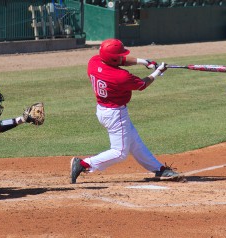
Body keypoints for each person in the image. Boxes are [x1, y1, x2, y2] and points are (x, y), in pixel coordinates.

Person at [70, 38, 184, 184]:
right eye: (118, 55)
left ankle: (159, 169)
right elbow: (142, 84)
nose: (121, 57)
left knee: (135, 142)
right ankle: (84, 164)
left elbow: (119, 60)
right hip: (115, 114)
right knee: (120, 153)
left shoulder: (94, 62)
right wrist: (157, 71)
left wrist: (144, 62)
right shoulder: (120, 77)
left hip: (103, 109)